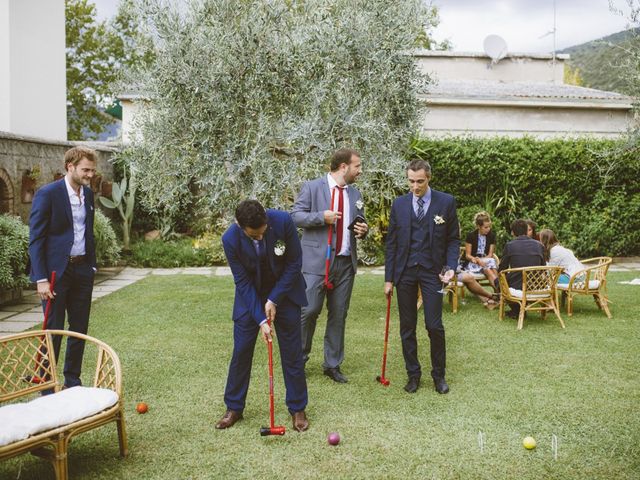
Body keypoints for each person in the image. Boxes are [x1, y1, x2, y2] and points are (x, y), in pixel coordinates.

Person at [215, 200, 309, 432]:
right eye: (254, 236)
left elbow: (294, 263)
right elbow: (242, 282)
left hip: (285, 292)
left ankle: (297, 407)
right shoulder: (230, 239)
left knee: (292, 351)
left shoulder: (283, 221)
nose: (260, 238)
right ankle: (234, 407)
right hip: (251, 297)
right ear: (239, 225)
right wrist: (261, 319)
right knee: (241, 351)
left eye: (263, 233)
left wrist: (274, 299)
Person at [291, 148, 368, 384]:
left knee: (339, 314)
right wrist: (320, 217)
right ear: (343, 167)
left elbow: (360, 221)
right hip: (316, 262)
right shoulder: (312, 187)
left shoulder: (355, 194)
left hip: (345, 263)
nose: (360, 171)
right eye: (357, 166)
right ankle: (298, 361)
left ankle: (332, 364)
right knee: (309, 310)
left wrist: (364, 230)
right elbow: (295, 216)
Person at [384, 159, 460, 394]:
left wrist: (449, 266)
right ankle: (413, 374)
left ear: (429, 178)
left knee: (434, 325)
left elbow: (453, 239)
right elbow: (392, 243)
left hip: (432, 271)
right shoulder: (399, 204)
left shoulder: (446, 202)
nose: (415, 187)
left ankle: (439, 375)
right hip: (405, 271)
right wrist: (389, 279)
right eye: (411, 181)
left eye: (420, 182)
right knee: (407, 326)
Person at [28, 146, 98, 390]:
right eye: (85, 170)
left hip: (82, 270)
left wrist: (92, 266)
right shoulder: (48, 194)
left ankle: (72, 381)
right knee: (53, 329)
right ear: (70, 167)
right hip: (56, 273)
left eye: (92, 170)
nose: (90, 175)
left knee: (79, 328)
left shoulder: (88, 195)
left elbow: (88, 232)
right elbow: (36, 239)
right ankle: (46, 383)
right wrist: (41, 279)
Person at [497, 219, 545, 318]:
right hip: (536, 285)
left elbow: (502, 269)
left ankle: (516, 309)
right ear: (526, 230)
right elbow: (543, 268)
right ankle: (519, 309)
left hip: (518, 286)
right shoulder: (539, 245)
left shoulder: (510, 245)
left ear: (513, 232)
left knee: (498, 281)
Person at [458, 211, 499, 309]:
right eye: (485, 227)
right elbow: (467, 255)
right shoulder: (471, 236)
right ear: (478, 226)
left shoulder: (491, 236)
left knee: (489, 267)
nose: (488, 229)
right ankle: (500, 294)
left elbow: (490, 254)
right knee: (489, 269)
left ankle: (498, 294)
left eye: (489, 227)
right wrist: (476, 260)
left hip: (486, 260)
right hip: (472, 262)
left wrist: (482, 260)